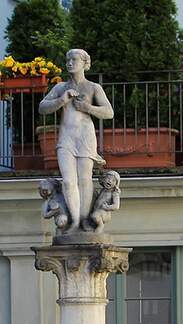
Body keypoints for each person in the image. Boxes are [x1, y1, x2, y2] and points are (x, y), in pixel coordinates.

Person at [38, 49, 114, 230]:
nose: (70, 63)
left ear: (85, 63)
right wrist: (61, 100)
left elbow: (109, 112)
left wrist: (88, 107)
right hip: (66, 138)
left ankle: (84, 220)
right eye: (68, 60)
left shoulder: (93, 87)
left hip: (85, 137)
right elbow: (42, 107)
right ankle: (74, 222)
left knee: (85, 180)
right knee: (68, 181)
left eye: (74, 59)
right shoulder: (60, 88)